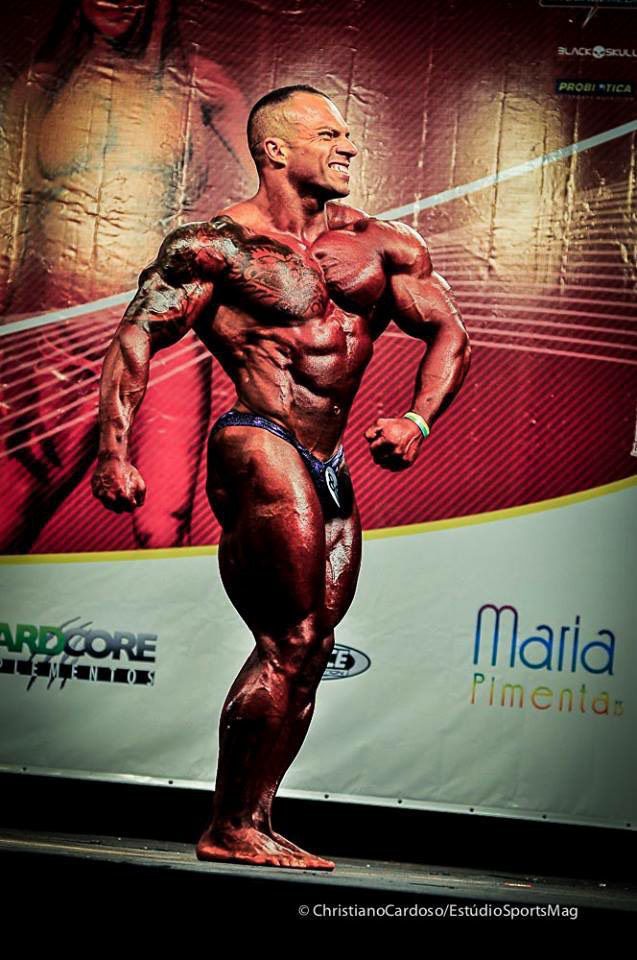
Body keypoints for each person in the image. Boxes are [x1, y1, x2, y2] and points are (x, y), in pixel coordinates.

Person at [91, 85, 471, 870]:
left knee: (312, 646)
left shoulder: (381, 244)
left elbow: (449, 333)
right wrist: (112, 451)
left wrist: (418, 419)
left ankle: (251, 820)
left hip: (328, 458)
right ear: (273, 149)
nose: (347, 147)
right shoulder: (217, 245)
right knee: (289, 635)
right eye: (327, 135)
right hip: (258, 439)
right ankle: (229, 824)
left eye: (346, 135)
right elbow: (136, 337)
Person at [0, 0, 251, 552]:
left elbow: (276, 190)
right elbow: (5, 211)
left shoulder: (199, 83)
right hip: (60, 336)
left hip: (163, 329)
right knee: (9, 506)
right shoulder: (41, 86)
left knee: (163, 521)